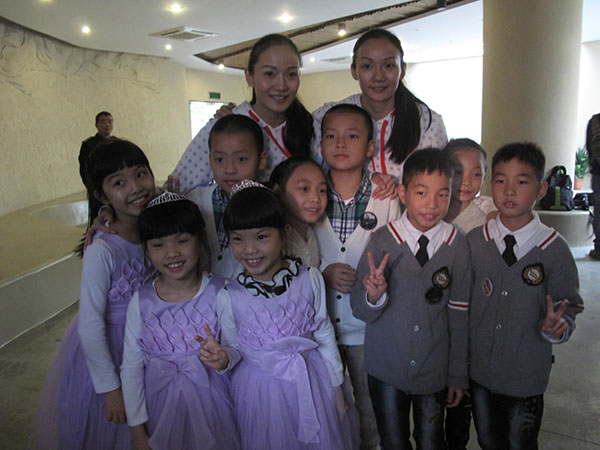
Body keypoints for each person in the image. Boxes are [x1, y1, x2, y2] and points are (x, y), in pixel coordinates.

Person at [30, 139, 156, 450]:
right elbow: (89, 324)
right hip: (110, 351)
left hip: (147, 345)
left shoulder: (156, 230)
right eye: (119, 183)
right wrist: (110, 388)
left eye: (141, 174)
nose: (136, 187)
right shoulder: (102, 249)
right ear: (101, 194)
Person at [214, 182, 357, 449]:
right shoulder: (228, 295)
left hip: (312, 383)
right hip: (261, 393)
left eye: (261, 237)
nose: (249, 249)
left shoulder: (309, 278)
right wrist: (223, 358)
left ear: (284, 234)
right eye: (237, 239)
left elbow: (324, 333)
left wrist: (336, 388)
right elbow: (234, 348)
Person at [351, 148, 470, 450]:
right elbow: (360, 308)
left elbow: (459, 313)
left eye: (443, 195)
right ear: (403, 193)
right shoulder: (380, 240)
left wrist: (457, 373)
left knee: (431, 441)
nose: (432, 204)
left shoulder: (456, 244)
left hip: (434, 371)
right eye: (421, 192)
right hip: (386, 370)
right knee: (393, 441)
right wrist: (373, 296)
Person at [468, 142, 584, 449]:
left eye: (521, 181)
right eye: (500, 180)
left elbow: (567, 305)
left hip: (526, 376)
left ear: (541, 188)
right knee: (488, 441)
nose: (508, 191)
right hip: (479, 373)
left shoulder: (554, 249)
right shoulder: (476, 241)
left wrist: (558, 327)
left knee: (521, 442)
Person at [120, 192, 240, 450]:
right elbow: (131, 368)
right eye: (158, 245)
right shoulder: (140, 303)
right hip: (159, 409)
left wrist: (223, 358)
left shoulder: (222, 292)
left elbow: (238, 349)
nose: (172, 253)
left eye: (182, 240)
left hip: (214, 409)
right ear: (146, 249)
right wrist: (137, 432)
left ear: (200, 240)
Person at [314, 104, 401, 450]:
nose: (340, 143)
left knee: (371, 411)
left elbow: (395, 260)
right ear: (320, 144)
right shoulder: (309, 193)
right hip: (318, 330)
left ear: (369, 147)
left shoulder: (385, 198)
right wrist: (322, 274)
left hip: (370, 331)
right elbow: (293, 255)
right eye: (331, 136)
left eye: (352, 136)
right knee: (327, 409)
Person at [169, 34, 314, 193]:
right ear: (250, 77)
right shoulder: (226, 123)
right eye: (269, 74)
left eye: (291, 74)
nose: (281, 85)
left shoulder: (313, 127)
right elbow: (178, 187)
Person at [312, 28, 448, 183]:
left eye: (389, 66)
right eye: (367, 66)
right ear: (354, 71)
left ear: (402, 70)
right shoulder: (325, 118)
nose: (378, 76)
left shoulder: (429, 123)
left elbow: (441, 184)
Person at [187, 114, 267, 278]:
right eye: (219, 159)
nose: (230, 169)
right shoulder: (195, 201)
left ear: (261, 160)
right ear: (210, 160)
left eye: (241, 159)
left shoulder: (271, 204)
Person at [270, 156, 328, 267]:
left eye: (322, 190)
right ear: (278, 191)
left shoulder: (312, 233)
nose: (315, 198)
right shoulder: (273, 239)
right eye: (304, 188)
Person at [444, 138, 497, 233]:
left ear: (484, 177)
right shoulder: (431, 210)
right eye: (458, 172)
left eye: (476, 174)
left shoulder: (482, 223)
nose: (467, 182)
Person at [79, 111, 114, 186]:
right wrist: (91, 187)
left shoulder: (118, 143)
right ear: (96, 125)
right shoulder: (88, 145)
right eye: (103, 122)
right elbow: (84, 170)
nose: (107, 125)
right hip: (98, 184)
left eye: (110, 121)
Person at [586, 113, 600, 260]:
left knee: (599, 212)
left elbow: (589, 146)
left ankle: (599, 249)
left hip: (598, 172)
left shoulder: (595, 121)